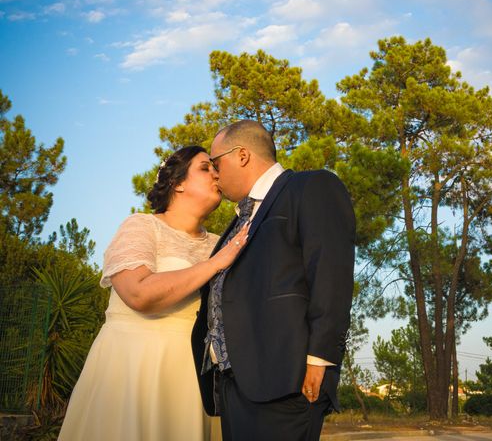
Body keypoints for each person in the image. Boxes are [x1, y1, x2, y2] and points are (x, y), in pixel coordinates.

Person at [59, 146, 248, 441]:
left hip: (193, 379)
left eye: (216, 169)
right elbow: (138, 294)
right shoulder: (142, 226)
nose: (216, 173)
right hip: (133, 370)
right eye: (204, 168)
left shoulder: (220, 243)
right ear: (177, 183)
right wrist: (214, 264)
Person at [192, 120, 355, 440]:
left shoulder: (310, 187)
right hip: (233, 385)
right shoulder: (239, 219)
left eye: (215, 163)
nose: (213, 173)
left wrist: (319, 359)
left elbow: (330, 275)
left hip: (286, 381)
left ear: (242, 155)